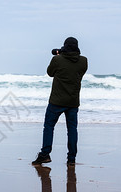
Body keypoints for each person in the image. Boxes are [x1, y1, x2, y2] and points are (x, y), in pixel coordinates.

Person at [32, 37, 88, 166]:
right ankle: (71, 159)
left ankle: (45, 154)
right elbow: (79, 73)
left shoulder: (57, 59)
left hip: (56, 101)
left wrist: (60, 54)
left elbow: (50, 73)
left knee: (49, 127)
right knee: (72, 129)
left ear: (65, 46)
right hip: (73, 102)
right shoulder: (83, 61)